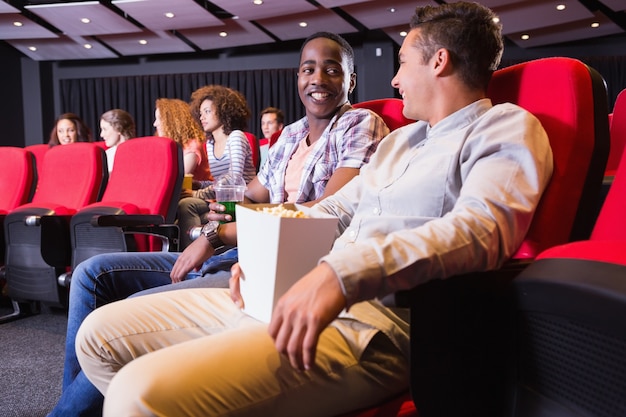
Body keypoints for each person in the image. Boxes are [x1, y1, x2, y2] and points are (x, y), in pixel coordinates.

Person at [75, 2, 554, 416]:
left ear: (439, 61)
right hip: (293, 290)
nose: (393, 77)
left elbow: (482, 231)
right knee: (96, 335)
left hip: (379, 320)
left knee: (136, 396)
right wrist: (258, 256)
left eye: (403, 61)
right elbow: (329, 210)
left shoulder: (504, 126)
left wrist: (340, 273)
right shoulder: (402, 141)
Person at [47, 31, 388, 417]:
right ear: (297, 77)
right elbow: (253, 194)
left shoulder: (360, 122)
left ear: (351, 80)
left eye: (332, 70)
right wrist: (216, 210)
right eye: (308, 69)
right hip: (242, 248)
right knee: (92, 274)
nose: (318, 79)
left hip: (288, 263)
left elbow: (329, 209)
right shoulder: (290, 135)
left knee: (131, 310)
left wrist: (216, 234)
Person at [178, 85, 257, 249]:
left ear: (223, 111)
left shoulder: (236, 137)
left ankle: (193, 255)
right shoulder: (210, 144)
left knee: (187, 204)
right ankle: (192, 256)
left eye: (207, 111)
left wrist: (198, 193)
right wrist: (200, 184)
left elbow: (234, 178)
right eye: (200, 113)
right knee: (185, 205)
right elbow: (221, 181)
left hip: (244, 200)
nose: (202, 117)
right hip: (224, 198)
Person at [153, 98, 212, 182]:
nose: (155, 124)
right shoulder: (168, 145)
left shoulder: (192, 148)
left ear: (172, 121)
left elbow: (175, 181)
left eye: (159, 118)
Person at [99, 109, 136, 173]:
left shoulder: (138, 153)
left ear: (119, 128)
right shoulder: (107, 155)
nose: (101, 135)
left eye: (105, 129)